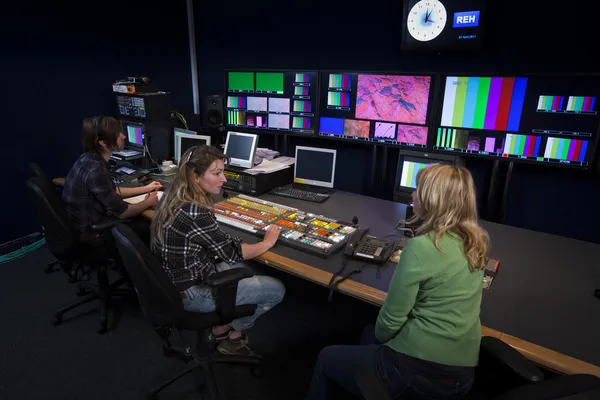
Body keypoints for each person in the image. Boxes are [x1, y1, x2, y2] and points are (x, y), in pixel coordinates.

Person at [306, 164, 490, 400]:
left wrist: (385, 339)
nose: (412, 195)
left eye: (417, 190)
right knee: (366, 334)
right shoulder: (475, 242)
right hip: (461, 375)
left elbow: (390, 321)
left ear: (431, 199)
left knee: (327, 358)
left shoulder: (422, 246)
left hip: (417, 372)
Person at [150, 145, 285, 357]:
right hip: (192, 294)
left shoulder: (171, 195)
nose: (224, 179)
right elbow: (232, 253)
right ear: (195, 176)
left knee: (245, 269)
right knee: (276, 289)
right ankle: (232, 337)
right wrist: (266, 243)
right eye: (217, 173)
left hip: (171, 284)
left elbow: (214, 242)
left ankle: (221, 327)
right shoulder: (195, 211)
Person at [62, 116, 161, 246]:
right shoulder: (95, 170)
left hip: (84, 225)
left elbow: (111, 191)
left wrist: (146, 188)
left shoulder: (88, 159)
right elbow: (123, 213)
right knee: (151, 228)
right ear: (103, 142)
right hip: (94, 234)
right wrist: (148, 202)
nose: (123, 136)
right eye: (118, 134)